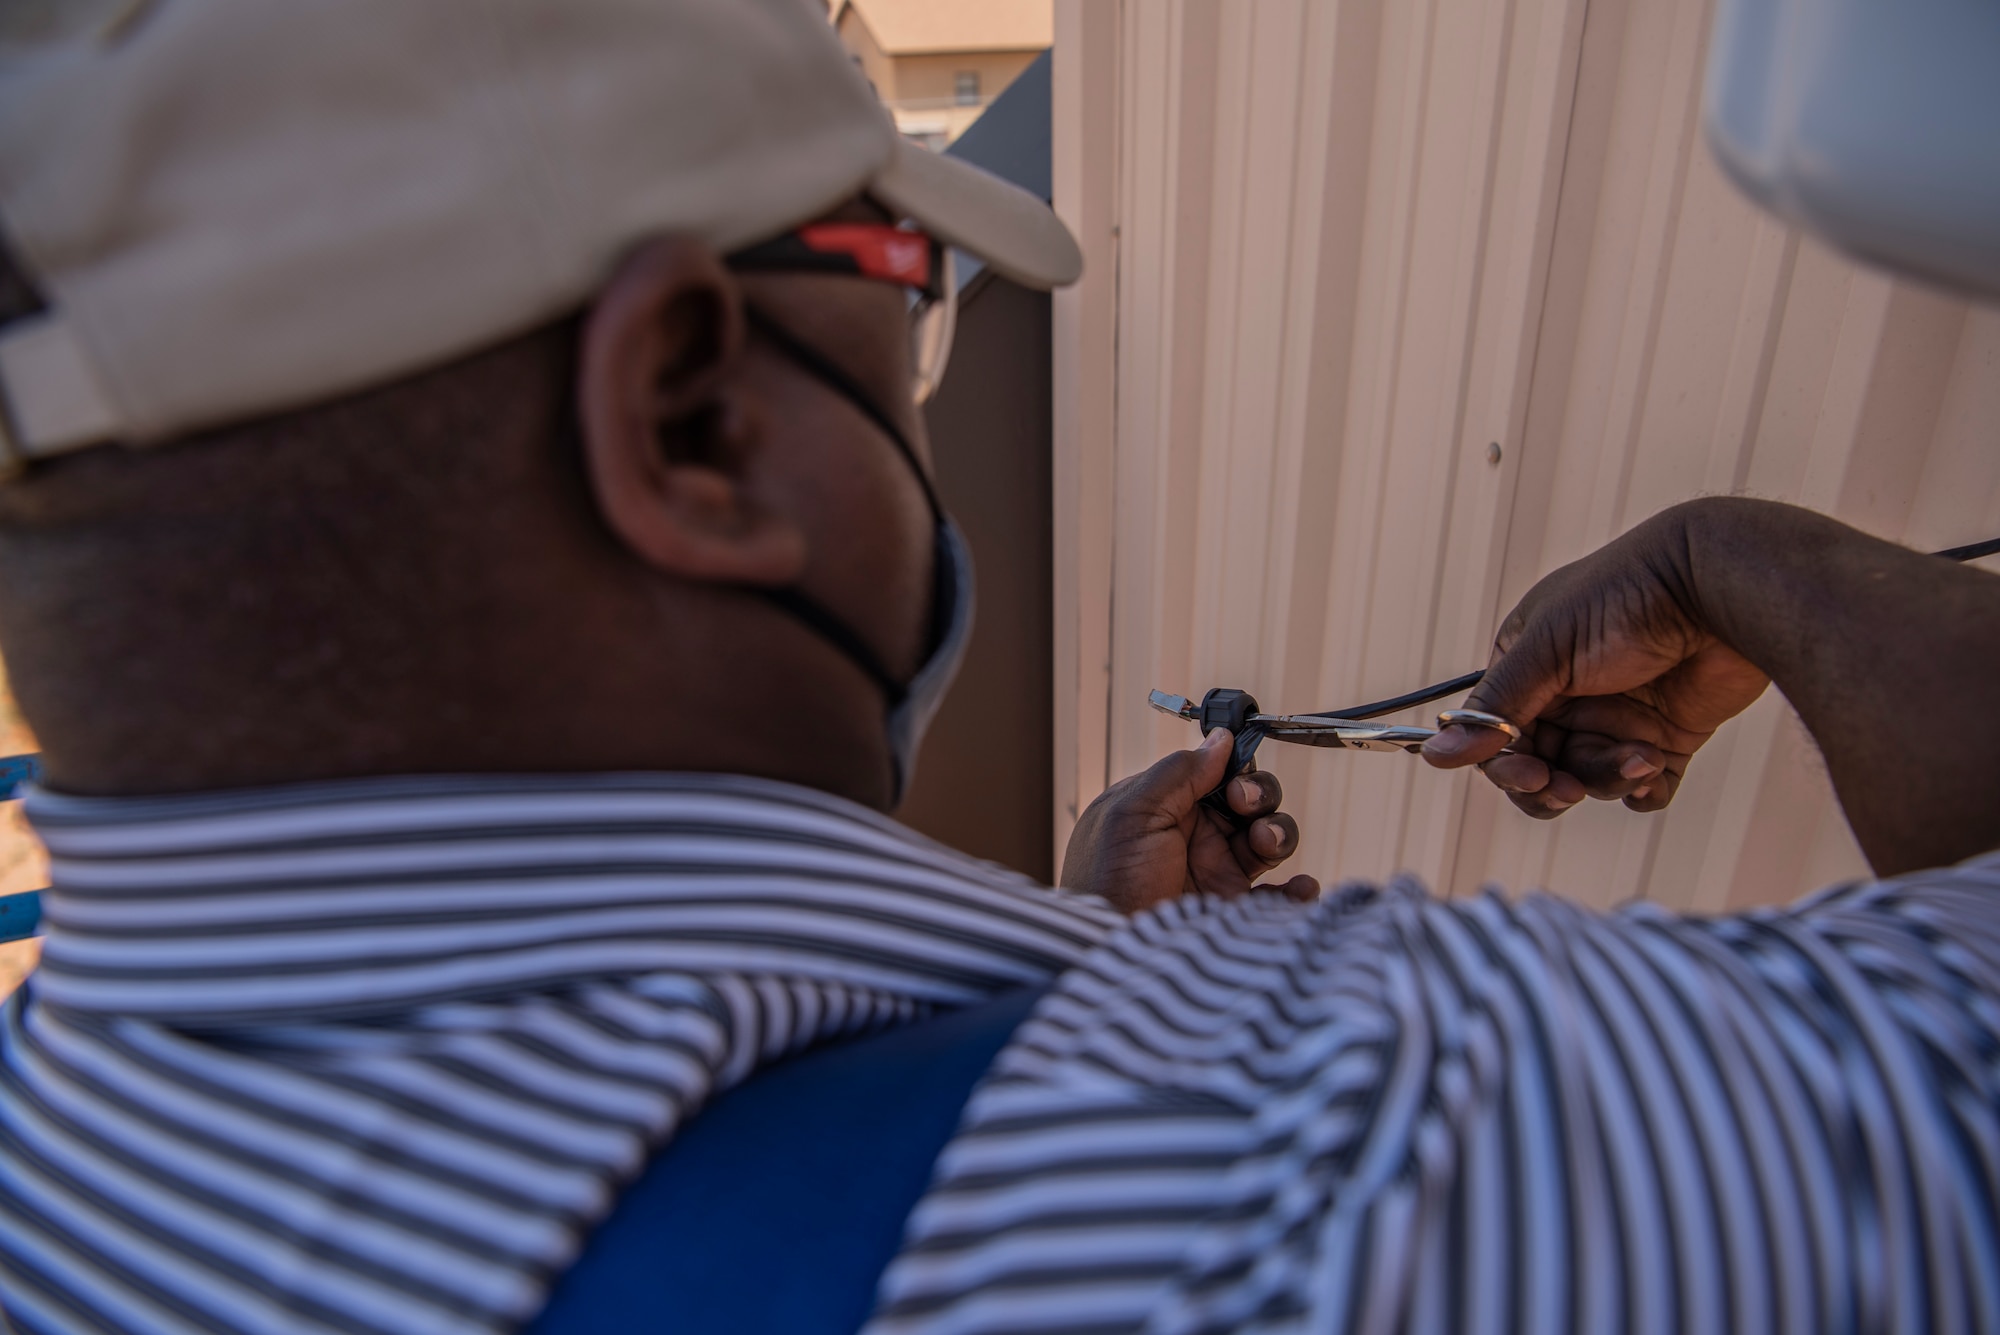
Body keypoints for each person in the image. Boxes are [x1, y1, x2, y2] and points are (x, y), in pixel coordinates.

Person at [0, 7, 1994, 1335]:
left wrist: (1041, 966)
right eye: (902, 278)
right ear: (692, 425)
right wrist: (1752, 560)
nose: (928, 365)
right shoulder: (1309, 1184)